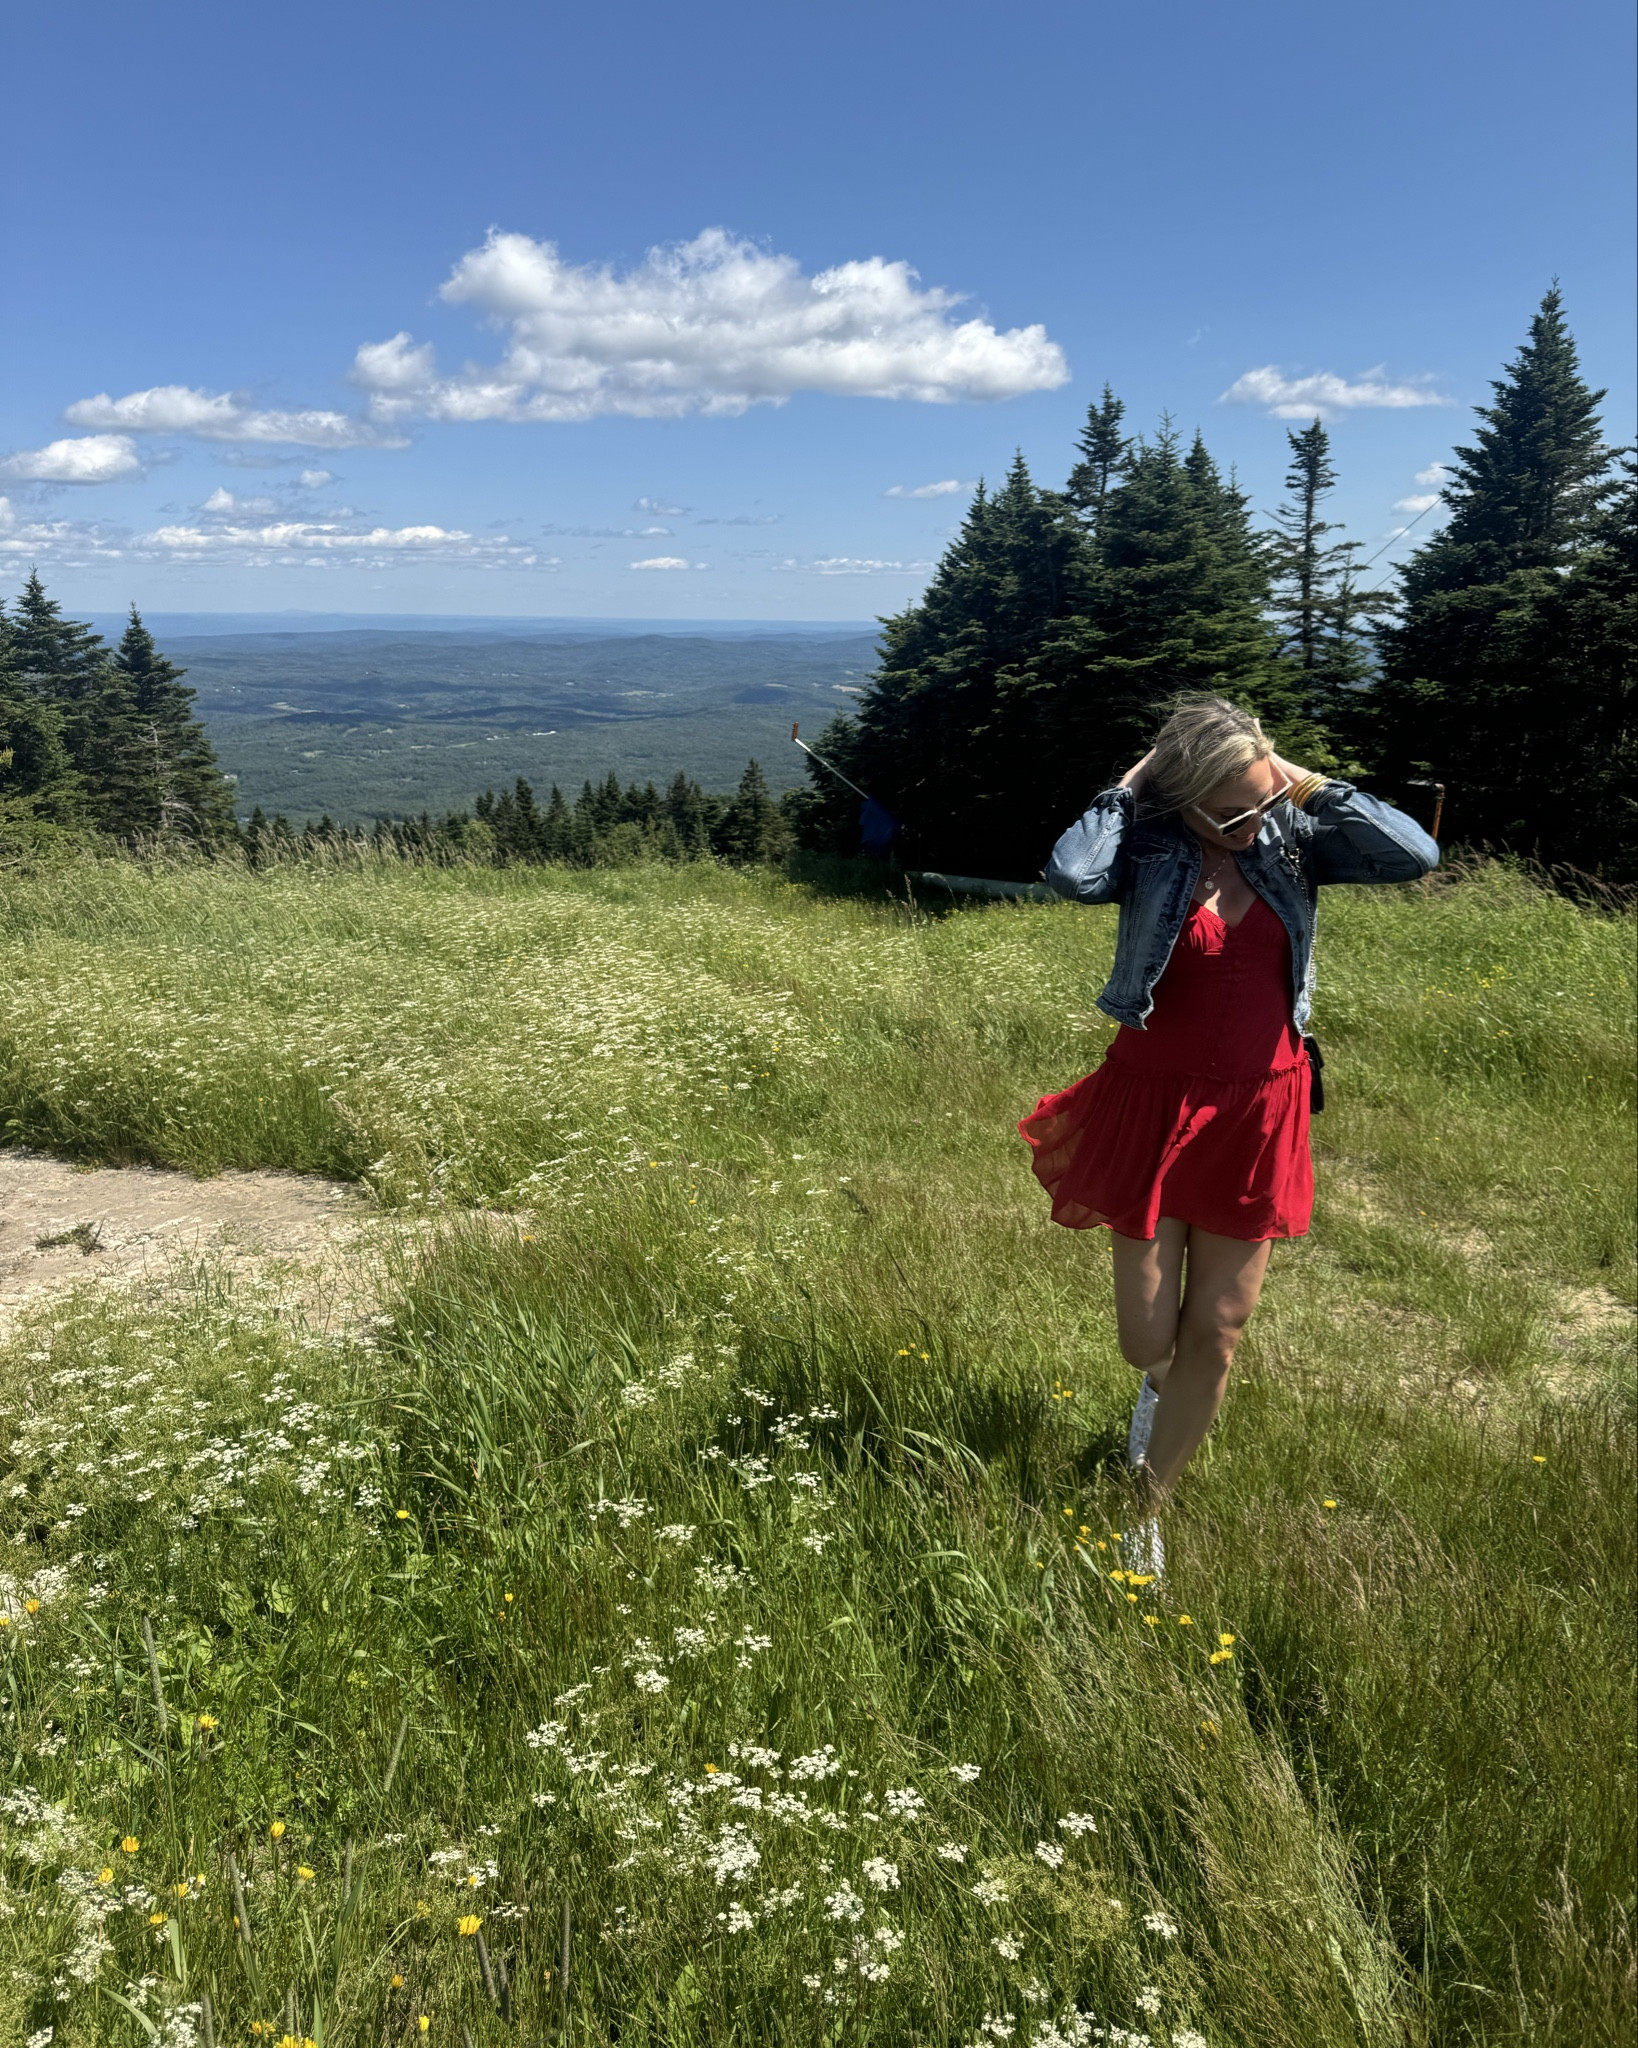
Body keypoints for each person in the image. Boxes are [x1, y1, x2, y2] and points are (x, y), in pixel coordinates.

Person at [1018, 695, 1439, 1575]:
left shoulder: (1294, 839)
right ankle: (1157, 1393)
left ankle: (1146, 1507)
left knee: (1217, 1329)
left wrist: (1301, 783)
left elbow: (1415, 854)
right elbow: (1069, 873)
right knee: (1147, 1337)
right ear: (1184, 797)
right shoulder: (1149, 847)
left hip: (1261, 1106)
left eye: (1260, 801)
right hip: (1153, 1101)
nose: (1252, 822)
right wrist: (1131, 788)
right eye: (1230, 808)